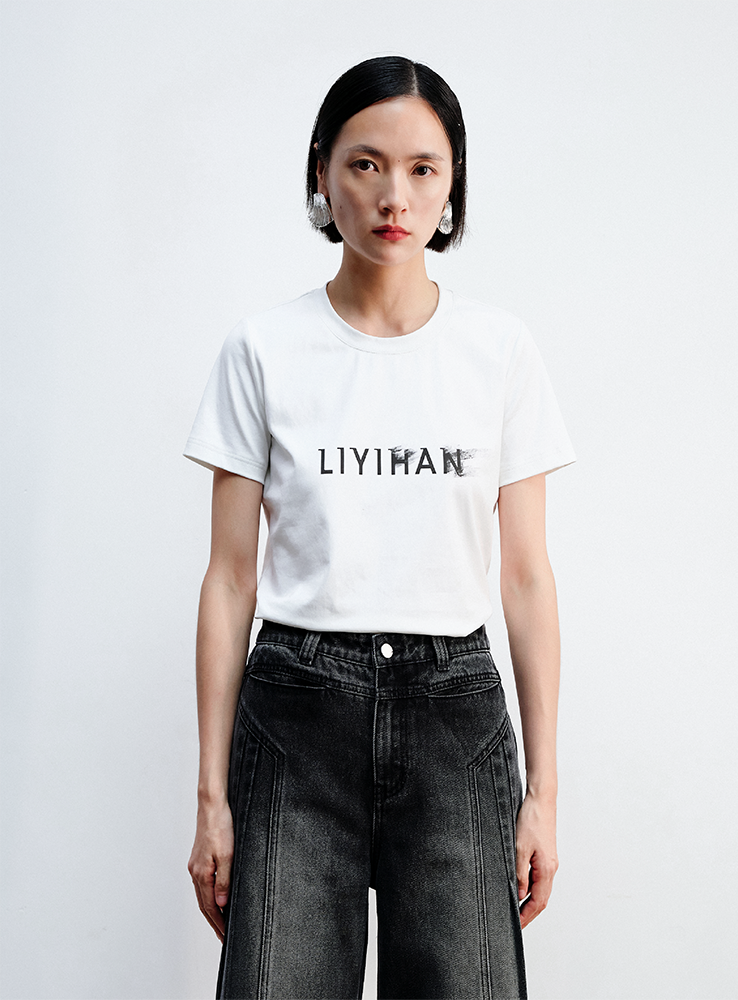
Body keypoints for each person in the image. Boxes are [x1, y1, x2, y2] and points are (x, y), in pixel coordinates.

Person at [185, 55, 575, 1000]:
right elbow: (230, 579)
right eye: (365, 164)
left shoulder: (499, 350)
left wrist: (545, 794)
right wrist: (211, 798)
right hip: (295, 715)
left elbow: (527, 579)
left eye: (422, 168)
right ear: (322, 172)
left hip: (455, 717)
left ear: (452, 184)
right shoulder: (263, 349)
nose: (394, 195)